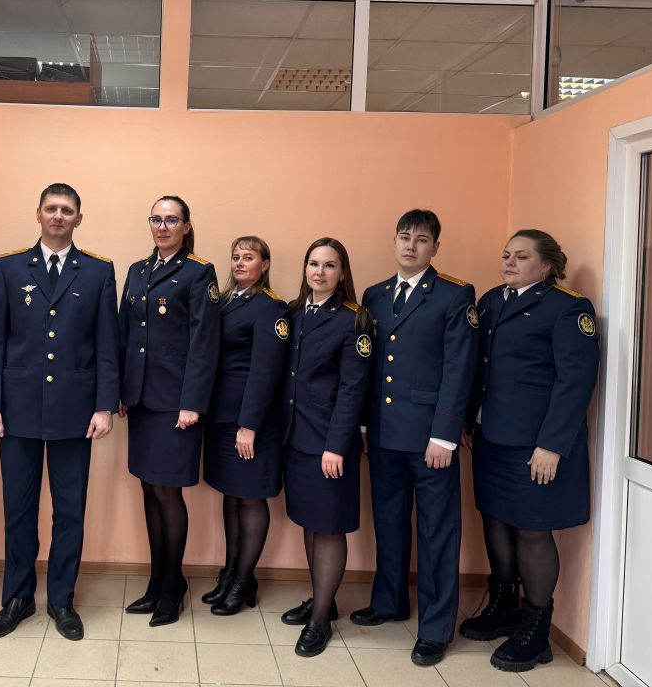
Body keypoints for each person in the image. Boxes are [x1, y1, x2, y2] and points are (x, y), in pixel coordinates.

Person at [0, 183, 120, 641]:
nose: (59, 215)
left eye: (67, 210)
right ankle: (17, 598)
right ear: (38, 214)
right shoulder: (8, 266)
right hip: (16, 408)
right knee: (18, 509)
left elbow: (107, 345)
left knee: (70, 510)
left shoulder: (98, 270)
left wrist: (104, 406)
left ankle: (61, 599)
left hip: (75, 411)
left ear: (79, 218)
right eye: (51, 208)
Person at [462, 230, 599, 673]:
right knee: (495, 521)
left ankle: (536, 631)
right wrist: (469, 420)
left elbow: (574, 380)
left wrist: (551, 445)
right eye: (506, 255)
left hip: (535, 445)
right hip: (491, 436)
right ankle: (504, 607)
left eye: (521, 257)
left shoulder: (568, 308)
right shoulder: (491, 301)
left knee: (532, 531)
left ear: (547, 265)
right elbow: (480, 368)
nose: (509, 262)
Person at [350, 209, 478, 666]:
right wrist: (364, 424)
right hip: (384, 432)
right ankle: (389, 601)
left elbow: (460, 368)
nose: (410, 246)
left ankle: (436, 628)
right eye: (404, 237)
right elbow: (369, 367)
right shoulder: (375, 295)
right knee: (388, 521)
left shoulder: (455, 295)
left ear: (435, 247)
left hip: (430, 438)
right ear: (394, 241)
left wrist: (445, 434)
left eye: (421, 239)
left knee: (436, 532)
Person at [119, 195, 220, 626]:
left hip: (177, 404)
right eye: (156, 219)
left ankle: (173, 584)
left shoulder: (199, 272)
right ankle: (157, 581)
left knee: (167, 492)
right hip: (142, 400)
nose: (162, 227)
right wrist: (121, 390)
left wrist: (192, 402)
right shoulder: (137, 271)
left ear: (186, 226)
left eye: (171, 220)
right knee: (148, 488)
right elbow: (125, 333)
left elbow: (204, 342)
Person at [279, 237, 372, 657]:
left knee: (329, 526)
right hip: (296, 436)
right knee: (310, 521)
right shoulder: (295, 313)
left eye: (329, 265)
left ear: (342, 272)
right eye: (313, 263)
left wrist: (336, 446)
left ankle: (320, 621)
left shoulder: (354, 320)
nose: (319, 271)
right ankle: (323, 598)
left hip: (330, 443)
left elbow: (353, 389)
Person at [201, 236, 289, 615]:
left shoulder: (271, 308)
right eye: (235, 256)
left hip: (250, 421)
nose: (239, 262)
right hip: (222, 417)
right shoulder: (223, 301)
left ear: (264, 265)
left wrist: (248, 425)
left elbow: (265, 372)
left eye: (248, 257)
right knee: (232, 494)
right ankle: (230, 572)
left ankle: (243, 580)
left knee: (250, 497)